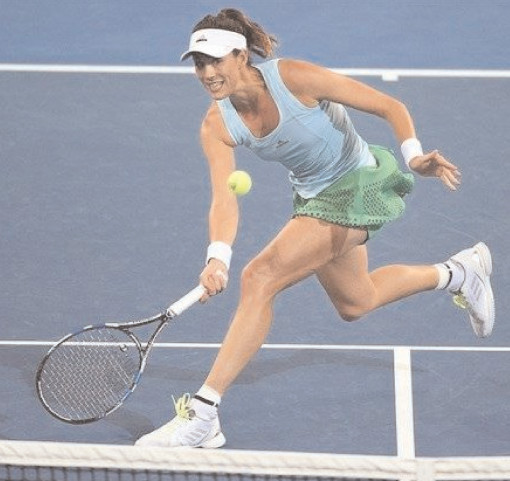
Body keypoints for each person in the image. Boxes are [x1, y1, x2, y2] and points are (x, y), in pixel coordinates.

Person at [135, 8, 494, 449]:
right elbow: (223, 198)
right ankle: (460, 272)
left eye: (216, 61)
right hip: (313, 197)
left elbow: (390, 106)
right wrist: (217, 257)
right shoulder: (217, 124)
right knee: (356, 301)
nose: (207, 73)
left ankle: (204, 413)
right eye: (199, 63)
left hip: (360, 183)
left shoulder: (293, 78)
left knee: (259, 277)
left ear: (241, 56)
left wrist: (414, 156)